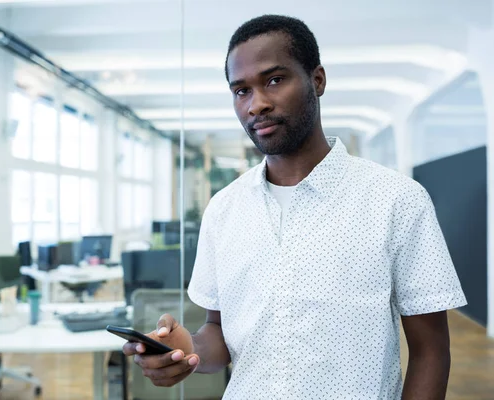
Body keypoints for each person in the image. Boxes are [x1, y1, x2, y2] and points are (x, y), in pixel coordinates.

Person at [123, 14, 467, 399]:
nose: (257, 104)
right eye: (241, 91)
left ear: (316, 80)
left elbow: (431, 351)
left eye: (274, 80)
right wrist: (185, 352)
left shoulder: (396, 201)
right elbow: (217, 331)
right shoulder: (224, 210)